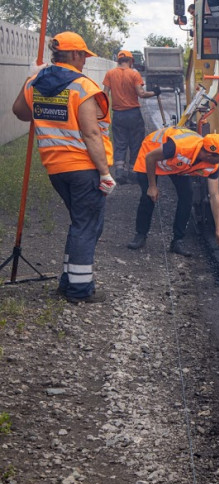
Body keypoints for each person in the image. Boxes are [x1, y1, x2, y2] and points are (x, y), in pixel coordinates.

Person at [12, 31, 115, 303]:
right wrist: (104, 172)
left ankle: (68, 282)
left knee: (81, 224)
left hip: (56, 168)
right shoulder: (82, 85)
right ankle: (80, 290)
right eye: (84, 55)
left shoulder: (38, 81)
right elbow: (92, 133)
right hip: (84, 166)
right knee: (88, 226)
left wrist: (29, 78)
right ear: (77, 54)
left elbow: (21, 113)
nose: (84, 61)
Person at [127, 127, 219, 256]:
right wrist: (152, 186)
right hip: (151, 154)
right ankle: (140, 235)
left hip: (177, 165)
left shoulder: (212, 165)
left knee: (187, 196)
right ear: (209, 154)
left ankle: (177, 241)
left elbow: (214, 195)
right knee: (148, 196)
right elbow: (150, 157)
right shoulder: (179, 147)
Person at [103, 50, 161, 183]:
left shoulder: (110, 74)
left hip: (118, 114)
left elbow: (104, 94)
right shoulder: (134, 74)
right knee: (135, 143)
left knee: (120, 143)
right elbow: (141, 94)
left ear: (118, 60)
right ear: (130, 61)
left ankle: (119, 172)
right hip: (133, 114)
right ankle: (133, 172)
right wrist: (154, 92)